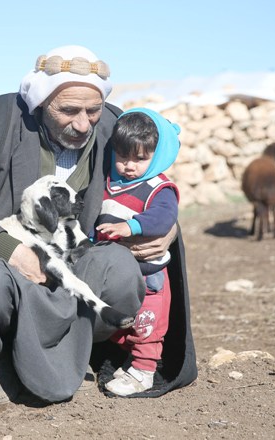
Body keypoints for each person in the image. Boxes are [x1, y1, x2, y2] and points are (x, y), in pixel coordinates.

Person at [0, 45, 196, 427]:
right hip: (6, 264)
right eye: (69, 111)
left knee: (122, 271)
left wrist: (169, 228)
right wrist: (11, 250)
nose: (83, 124)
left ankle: (78, 350)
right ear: (41, 102)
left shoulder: (110, 126)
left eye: (91, 110)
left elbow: (147, 187)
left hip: (77, 263)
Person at [92, 108, 181, 396]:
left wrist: (131, 227)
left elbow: (164, 218)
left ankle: (144, 372)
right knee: (123, 322)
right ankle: (129, 363)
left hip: (149, 275)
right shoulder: (109, 183)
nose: (129, 166)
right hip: (117, 273)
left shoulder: (158, 188)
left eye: (140, 159)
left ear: (157, 155)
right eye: (123, 157)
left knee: (147, 324)